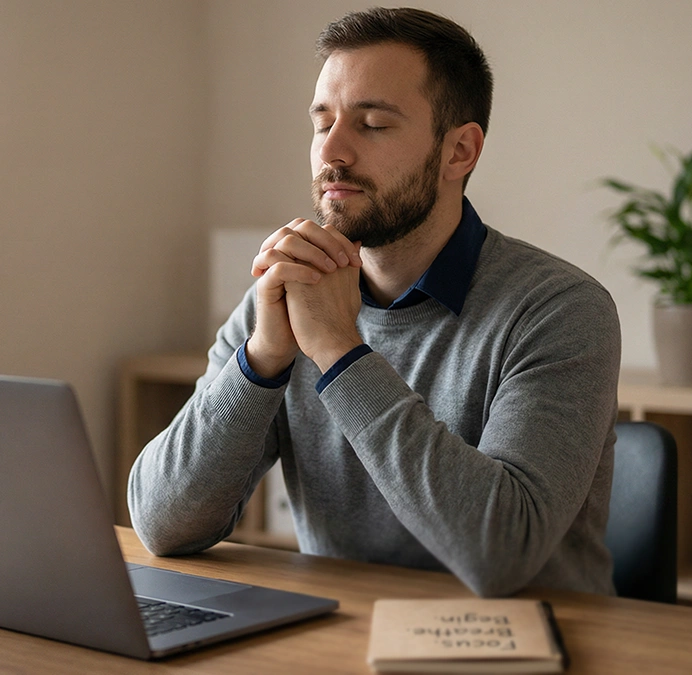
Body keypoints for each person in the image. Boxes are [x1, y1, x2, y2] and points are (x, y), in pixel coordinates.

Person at [128, 7, 621, 597]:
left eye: (373, 125)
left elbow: (502, 553)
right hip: (338, 641)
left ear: (459, 151)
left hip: (529, 648)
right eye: (322, 122)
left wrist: (339, 351)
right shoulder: (287, 298)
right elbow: (161, 524)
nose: (332, 151)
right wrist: (261, 358)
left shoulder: (560, 310)